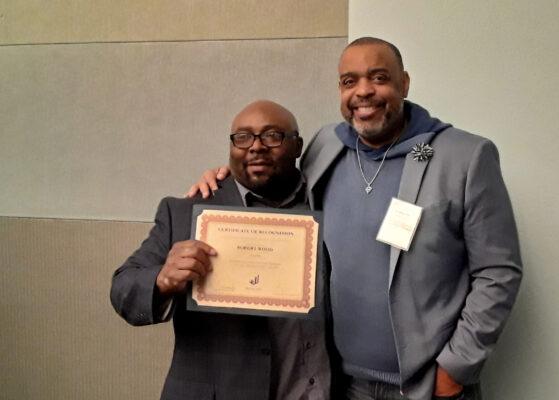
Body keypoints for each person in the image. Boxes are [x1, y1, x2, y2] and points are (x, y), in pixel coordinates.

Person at [187, 37, 522, 400]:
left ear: (404, 84)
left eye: (378, 78)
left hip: (426, 387)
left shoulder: (465, 156)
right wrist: (225, 178)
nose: (364, 91)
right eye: (350, 81)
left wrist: (456, 367)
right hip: (342, 384)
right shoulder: (325, 146)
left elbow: (498, 271)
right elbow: (276, 187)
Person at [111, 100, 330, 400]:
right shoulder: (188, 213)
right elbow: (123, 289)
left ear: (297, 146)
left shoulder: (326, 205)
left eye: (272, 136)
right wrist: (162, 279)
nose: (256, 147)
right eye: (243, 137)